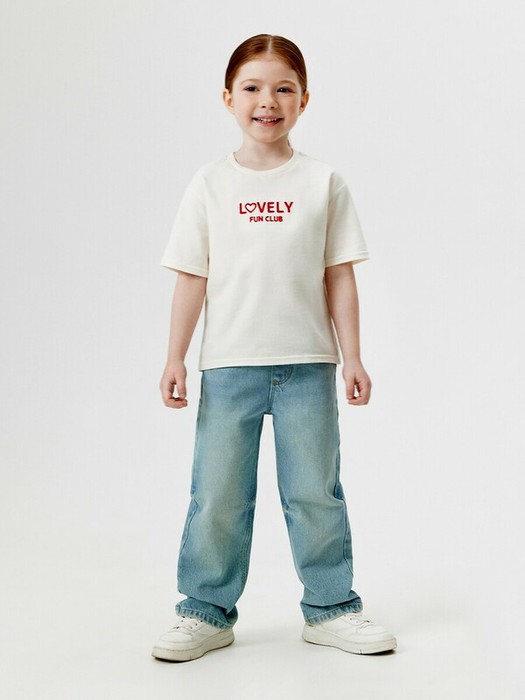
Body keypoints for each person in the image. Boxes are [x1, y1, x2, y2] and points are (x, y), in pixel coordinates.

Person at [151, 33, 397, 662]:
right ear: (228, 98)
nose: (268, 101)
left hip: (308, 366)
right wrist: (176, 356)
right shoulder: (209, 184)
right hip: (229, 366)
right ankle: (205, 611)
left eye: (284, 88)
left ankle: (331, 607)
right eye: (253, 88)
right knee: (218, 494)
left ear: (304, 99)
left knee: (315, 491)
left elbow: (339, 274)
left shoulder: (323, 182)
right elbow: (192, 276)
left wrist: (353, 356)